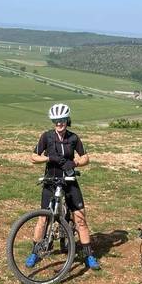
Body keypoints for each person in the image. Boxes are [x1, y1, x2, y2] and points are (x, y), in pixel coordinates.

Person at [27, 103, 101, 270]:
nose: (59, 123)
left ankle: (89, 255)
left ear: (67, 120)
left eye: (62, 120)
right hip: (51, 180)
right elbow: (33, 157)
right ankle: (35, 252)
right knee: (43, 218)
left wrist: (75, 162)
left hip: (69, 180)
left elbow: (86, 158)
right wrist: (48, 159)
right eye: (56, 121)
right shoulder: (46, 136)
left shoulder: (73, 138)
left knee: (80, 218)